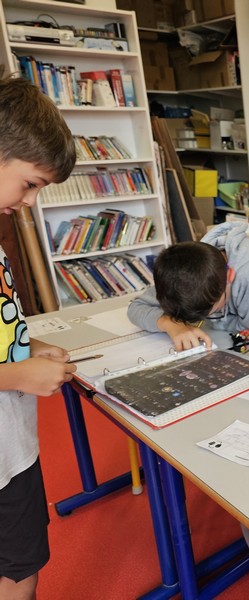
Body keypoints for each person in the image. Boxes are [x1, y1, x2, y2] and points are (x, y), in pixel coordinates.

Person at [0, 76, 79, 600]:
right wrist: (14, 374)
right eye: (29, 184)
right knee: (18, 573)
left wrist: (24, 349)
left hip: (12, 446)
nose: (29, 202)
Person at [127, 221, 249, 350]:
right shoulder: (182, 272)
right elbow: (136, 307)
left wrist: (208, 323)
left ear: (229, 276)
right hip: (224, 339)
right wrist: (173, 325)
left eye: (212, 310)